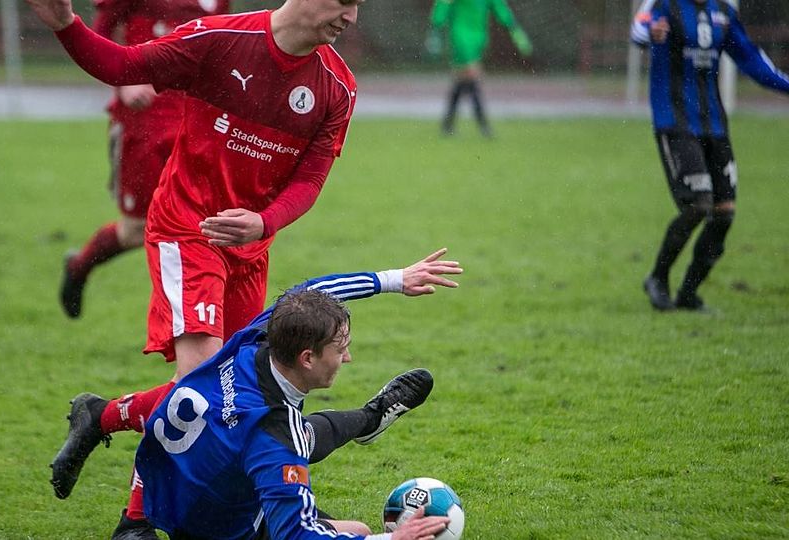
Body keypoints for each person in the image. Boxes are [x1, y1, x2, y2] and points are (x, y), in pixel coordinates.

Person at [25, 0, 367, 533]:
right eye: (345, 2)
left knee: (240, 390)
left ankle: (104, 417)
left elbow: (310, 179)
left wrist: (264, 222)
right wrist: (67, 26)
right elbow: (122, 64)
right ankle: (135, 519)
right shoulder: (219, 39)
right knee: (202, 387)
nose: (351, 16)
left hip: (248, 249)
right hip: (187, 229)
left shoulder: (337, 87)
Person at [66, 249, 462, 538]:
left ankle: (371, 418)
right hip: (216, 528)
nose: (348, 357)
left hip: (166, 483)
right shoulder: (275, 435)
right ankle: (369, 422)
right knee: (357, 530)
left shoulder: (259, 337)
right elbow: (296, 533)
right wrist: (391, 539)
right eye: (340, 349)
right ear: (307, 358)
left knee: (292, 440)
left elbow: (314, 290)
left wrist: (394, 279)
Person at [59, 0, 230, 319]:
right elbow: (99, 34)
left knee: (208, 224)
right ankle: (79, 266)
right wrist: (124, 82)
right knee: (137, 229)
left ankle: (196, 319)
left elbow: (220, 44)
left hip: (198, 121)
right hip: (144, 123)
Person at [632, 0, 789, 312]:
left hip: (714, 124)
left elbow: (750, 57)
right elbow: (639, 28)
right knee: (698, 205)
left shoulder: (723, 13)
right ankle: (658, 277)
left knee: (724, 212)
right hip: (675, 123)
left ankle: (688, 294)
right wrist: (651, 32)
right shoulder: (666, 5)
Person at [425, 0, 532, 137]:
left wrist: (514, 29)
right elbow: (443, 4)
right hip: (461, 36)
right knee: (472, 76)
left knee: (462, 81)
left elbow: (500, 8)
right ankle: (483, 125)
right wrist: (435, 30)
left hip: (479, 37)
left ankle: (448, 125)